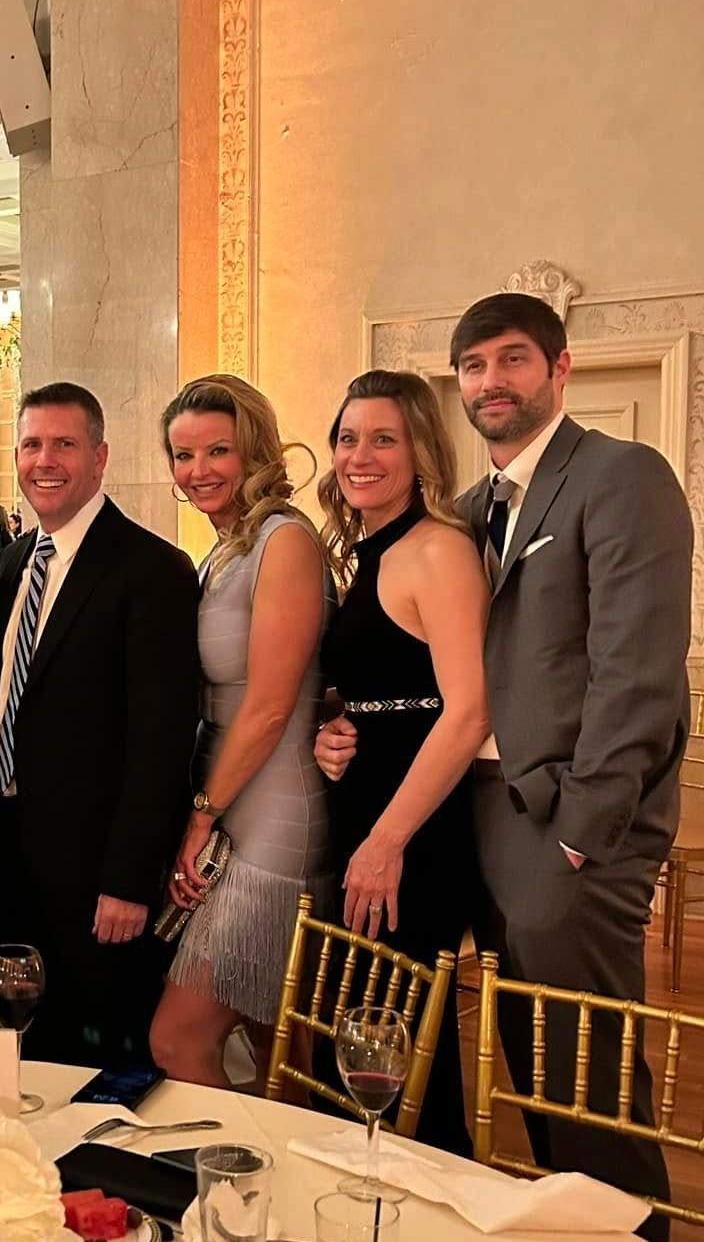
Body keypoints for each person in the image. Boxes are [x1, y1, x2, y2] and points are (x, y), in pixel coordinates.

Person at [322, 295, 689, 1234]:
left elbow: (636, 672)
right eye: (475, 367)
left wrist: (582, 838)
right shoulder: (473, 508)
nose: (492, 382)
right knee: (525, 1075)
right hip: (475, 815)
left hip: (562, 827)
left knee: (584, 1083)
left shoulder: (623, 477)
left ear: (559, 370)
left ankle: (632, 1230)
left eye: (513, 360)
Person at [308, 369, 491, 1154]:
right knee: (356, 1046)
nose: (360, 455)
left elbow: (469, 710)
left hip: (412, 834)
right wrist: (336, 733)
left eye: (384, 438)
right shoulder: (368, 550)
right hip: (368, 815)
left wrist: (387, 843)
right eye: (349, 438)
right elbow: (385, 691)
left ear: (420, 451)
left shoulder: (438, 549)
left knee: (398, 1058)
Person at [0, 382, 201, 1066]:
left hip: (98, 874)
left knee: (108, 1060)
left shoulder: (152, 569)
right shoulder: (14, 561)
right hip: (15, 857)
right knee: (31, 1049)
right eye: (31, 444)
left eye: (63, 444)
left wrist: (127, 879)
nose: (44, 460)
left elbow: (161, 740)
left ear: (100, 456)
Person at [147, 376, 333, 1087]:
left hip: (276, 820)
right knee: (277, 1057)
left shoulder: (284, 540)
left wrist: (201, 815)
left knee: (179, 1040)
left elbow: (270, 708)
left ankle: (221, 1189)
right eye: (183, 456)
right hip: (237, 807)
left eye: (217, 450)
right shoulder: (224, 549)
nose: (198, 472)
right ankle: (286, 1188)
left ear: (252, 447)